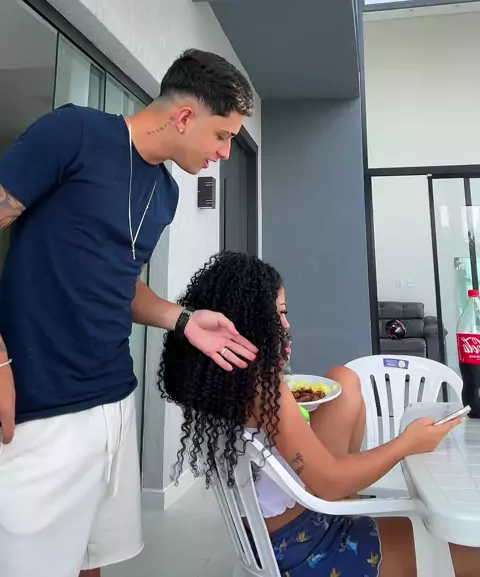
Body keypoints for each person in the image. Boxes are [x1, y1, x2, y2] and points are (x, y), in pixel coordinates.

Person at [0, 49, 258, 577]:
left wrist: (183, 319)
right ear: (184, 117)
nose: (225, 153)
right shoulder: (73, 134)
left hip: (115, 399)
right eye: (222, 135)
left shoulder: (165, 193)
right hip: (40, 407)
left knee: (91, 561)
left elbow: (120, 283)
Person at [159, 251, 479, 577]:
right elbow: (329, 482)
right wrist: (407, 443)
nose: (286, 325)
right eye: (278, 314)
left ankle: (352, 506)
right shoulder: (262, 387)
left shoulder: (222, 384)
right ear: (251, 320)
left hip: (272, 543)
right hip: (311, 552)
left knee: (343, 377)